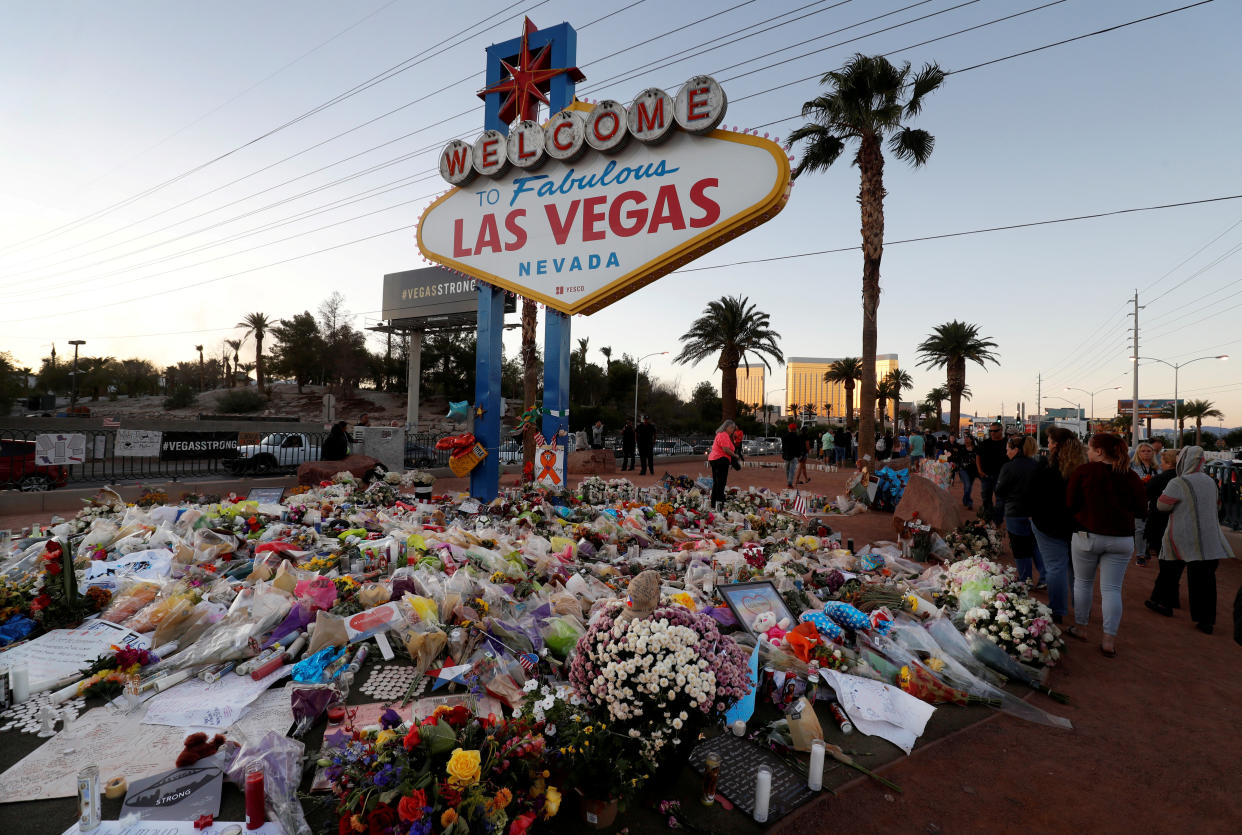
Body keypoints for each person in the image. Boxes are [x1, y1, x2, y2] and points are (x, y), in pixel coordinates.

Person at [1065, 433, 1148, 657]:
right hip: (1121, 540)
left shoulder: (1084, 472)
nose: (1088, 452)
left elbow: (1071, 504)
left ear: (1100, 451)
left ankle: (1081, 628)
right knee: (1111, 589)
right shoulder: (1131, 477)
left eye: (1090, 449)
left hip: (1087, 536)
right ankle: (1108, 640)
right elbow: (1142, 510)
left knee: (1083, 583)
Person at [1146, 446, 1237, 633]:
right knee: (1205, 581)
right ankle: (1206, 621)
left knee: (1169, 568)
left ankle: (1165, 603)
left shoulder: (1178, 482)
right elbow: (1219, 506)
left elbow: (1162, 505)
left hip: (1182, 534)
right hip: (1210, 537)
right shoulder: (1210, 481)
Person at [1029, 428, 1087, 624]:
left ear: (1056, 444)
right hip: (1076, 525)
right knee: (1076, 570)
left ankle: (1058, 611)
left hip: (1047, 524)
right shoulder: (1084, 468)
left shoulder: (1047, 467)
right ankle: (1080, 611)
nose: (1049, 444)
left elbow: (1034, 494)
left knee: (1055, 568)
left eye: (1050, 441)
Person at [996, 435, 1045, 586]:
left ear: (1016, 450)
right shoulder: (1037, 465)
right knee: (1036, 545)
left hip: (1015, 512)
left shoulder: (1008, 467)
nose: (1006, 453)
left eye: (1008, 450)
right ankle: (1045, 577)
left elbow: (999, 490)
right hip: (1035, 512)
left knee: (1019, 547)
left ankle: (1026, 579)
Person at [975, 422, 1009, 526]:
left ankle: (997, 521)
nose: (992, 433)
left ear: (1001, 430)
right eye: (990, 431)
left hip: (1001, 477)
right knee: (986, 499)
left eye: (995, 431)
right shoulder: (984, 443)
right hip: (986, 476)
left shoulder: (1007, 443)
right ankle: (988, 518)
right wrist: (980, 470)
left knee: (1000, 501)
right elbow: (978, 456)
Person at [1130, 442, 1158, 564]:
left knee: (1150, 527)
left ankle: (1146, 549)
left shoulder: (1158, 468)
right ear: (1138, 453)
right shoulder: (1132, 466)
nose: (1146, 453)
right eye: (1143, 451)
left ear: (1153, 453)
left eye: (1149, 451)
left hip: (1154, 502)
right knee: (1139, 528)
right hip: (1138, 501)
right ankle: (1140, 555)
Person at [707, 420, 740, 509]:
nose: (732, 430)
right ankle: (719, 503)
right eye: (731, 428)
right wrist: (735, 455)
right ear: (726, 427)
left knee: (717, 482)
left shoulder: (721, 435)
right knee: (721, 483)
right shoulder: (724, 435)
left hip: (715, 459)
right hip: (720, 459)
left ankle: (714, 503)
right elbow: (725, 449)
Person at [780, 422, 803, 487]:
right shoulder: (797, 437)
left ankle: (788, 481)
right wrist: (799, 455)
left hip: (786, 455)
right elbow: (798, 447)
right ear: (795, 429)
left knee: (787, 469)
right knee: (792, 470)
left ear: (789, 428)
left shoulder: (784, 436)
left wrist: (784, 453)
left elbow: (783, 447)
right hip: (794, 456)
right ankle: (790, 482)